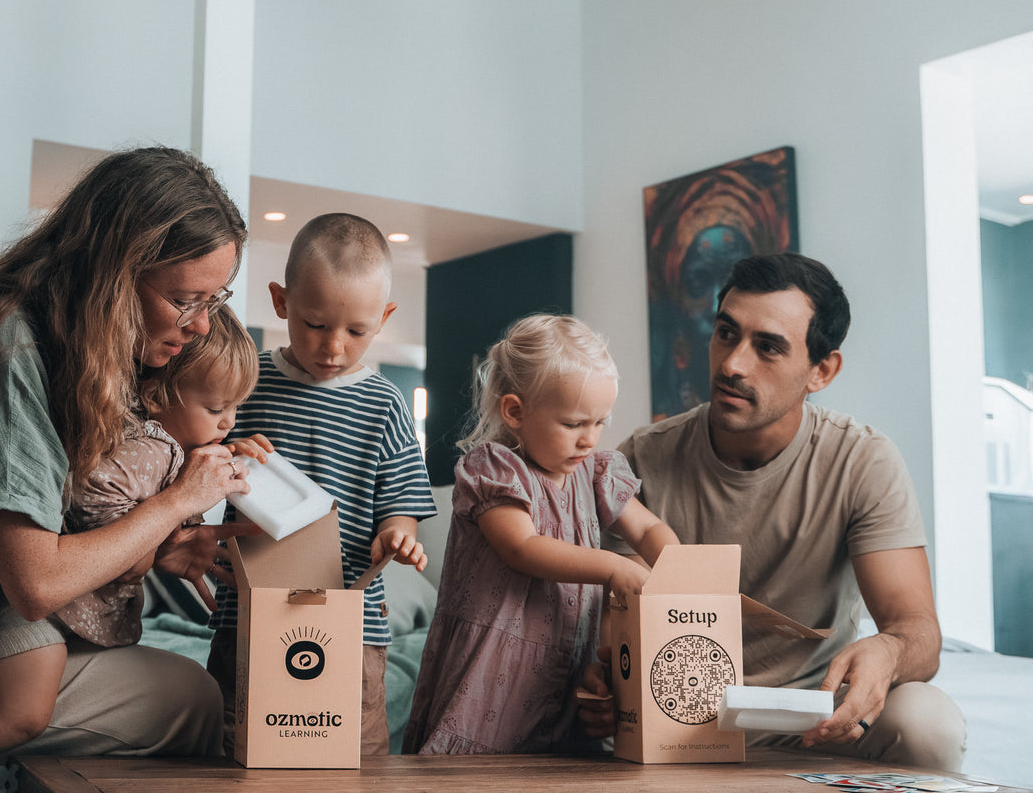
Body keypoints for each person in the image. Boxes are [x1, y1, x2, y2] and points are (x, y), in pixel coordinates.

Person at [0, 146, 256, 792]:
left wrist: (155, 543)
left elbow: (75, 529)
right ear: (114, 273)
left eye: (213, 299)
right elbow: (36, 583)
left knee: (188, 699)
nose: (200, 325)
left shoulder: (72, 354)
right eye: (183, 299)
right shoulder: (2, 347)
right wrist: (172, 505)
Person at [580, 253, 965, 771]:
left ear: (821, 370)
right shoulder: (640, 460)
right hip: (676, 722)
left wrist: (889, 652)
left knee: (928, 722)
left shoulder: (862, 460)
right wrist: (607, 681)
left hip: (814, 722)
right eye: (726, 334)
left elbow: (918, 632)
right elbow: (614, 623)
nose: (733, 364)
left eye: (768, 347)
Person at [0, 307, 267, 779]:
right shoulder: (144, 449)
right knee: (22, 715)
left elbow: (162, 522)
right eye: (215, 410)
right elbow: (96, 503)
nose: (228, 423)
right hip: (36, 616)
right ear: (155, 396)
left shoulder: (175, 451)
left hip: (73, 620)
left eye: (236, 409)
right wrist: (155, 532)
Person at [207, 212, 436, 756]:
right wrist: (226, 452)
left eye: (356, 331)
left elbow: (400, 503)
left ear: (384, 318)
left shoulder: (385, 404)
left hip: (351, 618)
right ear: (281, 302)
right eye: (314, 324)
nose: (333, 347)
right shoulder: (246, 382)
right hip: (250, 610)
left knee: (353, 751)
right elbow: (201, 463)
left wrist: (398, 535)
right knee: (234, 744)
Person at [402, 314, 681, 755]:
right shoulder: (494, 468)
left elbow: (647, 527)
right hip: (494, 666)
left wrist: (679, 568)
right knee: (474, 775)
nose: (589, 439)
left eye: (599, 422)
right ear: (515, 411)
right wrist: (614, 567)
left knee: (560, 766)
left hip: (564, 666)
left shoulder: (597, 472)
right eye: (573, 424)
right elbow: (522, 546)